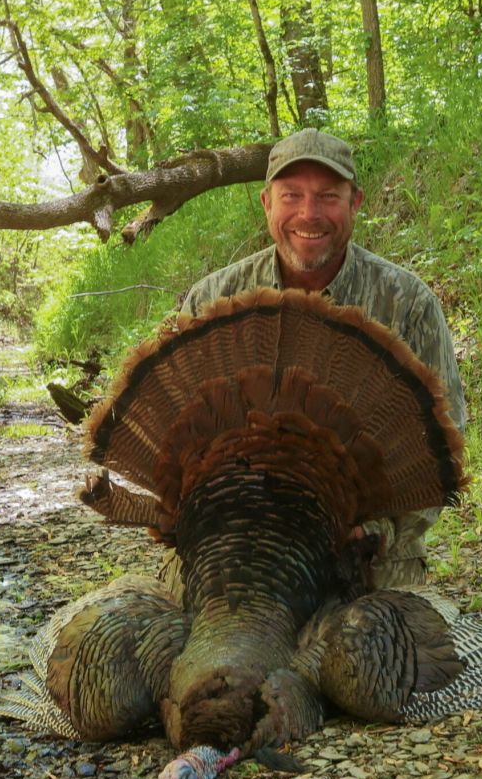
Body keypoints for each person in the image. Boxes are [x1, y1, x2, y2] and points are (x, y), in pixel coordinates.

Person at [177, 128, 467, 588]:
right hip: (234, 549)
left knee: (376, 658)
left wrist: (381, 530)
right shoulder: (214, 299)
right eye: (291, 195)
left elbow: (442, 446)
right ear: (266, 203)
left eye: (328, 196)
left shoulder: (407, 303)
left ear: (355, 203)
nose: (309, 214)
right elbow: (181, 440)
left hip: (368, 554)